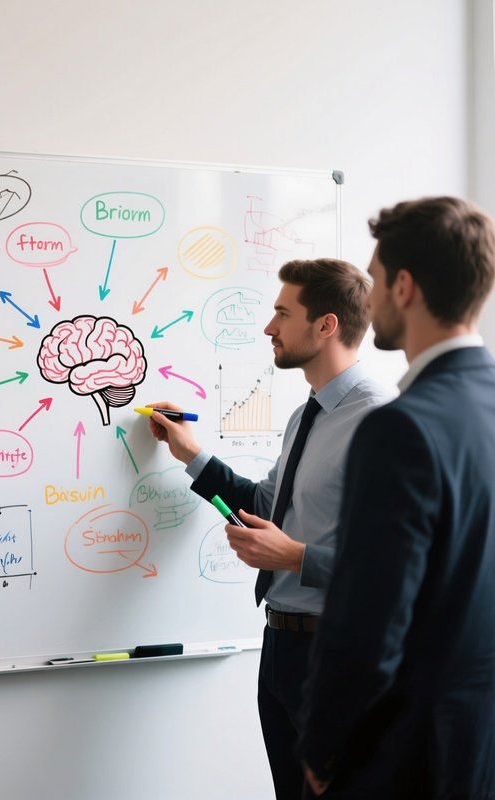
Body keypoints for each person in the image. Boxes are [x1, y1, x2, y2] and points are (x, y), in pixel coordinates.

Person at [144, 258, 392, 800]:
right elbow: (264, 504)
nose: (268, 327)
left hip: (337, 654)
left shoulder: (380, 423)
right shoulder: (307, 417)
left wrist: (296, 556)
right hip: (280, 648)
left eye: (282, 312)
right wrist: (192, 455)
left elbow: (392, 568)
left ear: (325, 325)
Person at [299, 197, 495, 798]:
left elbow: (368, 620)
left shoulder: (398, 428)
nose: (370, 297)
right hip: (478, 743)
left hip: (402, 755)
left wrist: (321, 750)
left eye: (376, 281)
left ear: (404, 287)